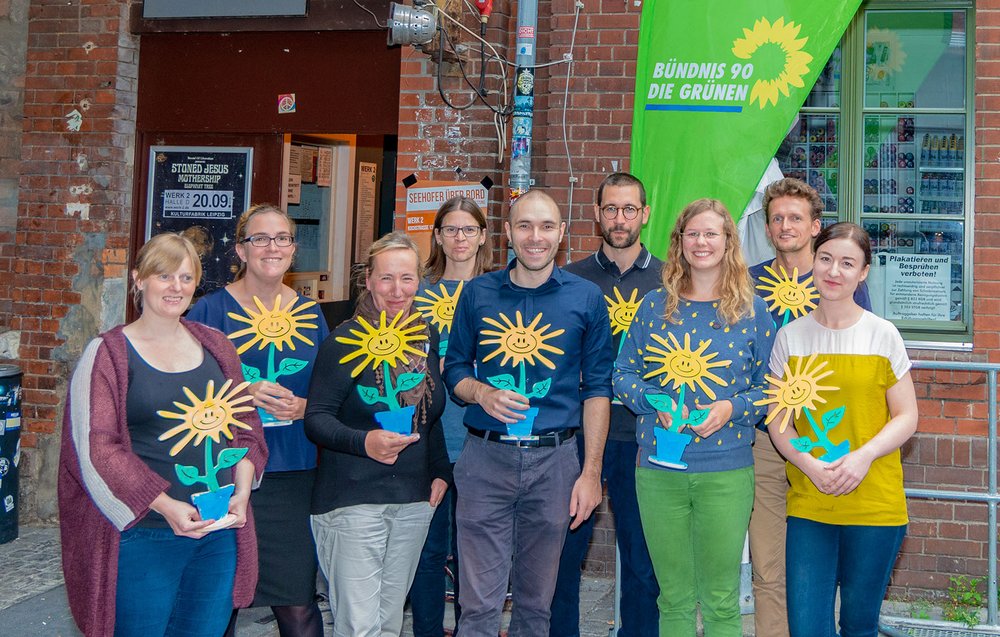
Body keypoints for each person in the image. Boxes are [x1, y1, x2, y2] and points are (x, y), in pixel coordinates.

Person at [58, 232, 268, 637]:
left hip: (218, 531)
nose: (176, 288)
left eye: (186, 279)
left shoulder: (217, 347)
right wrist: (166, 505)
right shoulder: (108, 354)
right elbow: (97, 448)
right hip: (145, 534)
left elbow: (245, 428)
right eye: (164, 276)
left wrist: (242, 493)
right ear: (139, 279)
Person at [443, 189, 614, 636]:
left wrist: (591, 472)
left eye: (544, 227)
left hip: (556, 462)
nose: (534, 237)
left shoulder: (587, 299)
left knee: (537, 607)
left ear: (561, 234)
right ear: (507, 233)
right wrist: (480, 393)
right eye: (524, 226)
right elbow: (455, 369)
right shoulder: (478, 293)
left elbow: (598, 389)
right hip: (485, 461)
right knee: (477, 606)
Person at [613, 198, 774, 636]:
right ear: (679, 241)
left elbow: (770, 389)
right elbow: (622, 374)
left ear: (728, 242)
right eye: (693, 234)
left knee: (722, 600)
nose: (701, 242)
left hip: (727, 470)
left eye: (711, 234)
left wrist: (731, 408)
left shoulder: (753, 312)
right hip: (659, 471)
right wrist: (655, 402)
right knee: (674, 598)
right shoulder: (653, 307)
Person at [764, 222, 917, 637]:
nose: (834, 271)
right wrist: (809, 464)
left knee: (858, 626)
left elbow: (907, 417)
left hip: (875, 503)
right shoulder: (789, 337)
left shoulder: (883, 336)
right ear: (813, 261)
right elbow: (779, 422)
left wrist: (863, 456)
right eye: (826, 258)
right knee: (807, 627)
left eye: (848, 263)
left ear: (864, 272)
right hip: (811, 501)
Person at [187, 203, 328, 637]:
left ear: (292, 250)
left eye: (282, 238)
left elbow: (328, 391)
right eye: (260, 238)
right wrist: (242, 394)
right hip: (223, 474)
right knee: (217, 603)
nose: (272, 247)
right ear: (241, 250)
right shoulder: (208, 313)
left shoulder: (311, 314)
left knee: (297, 601)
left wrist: (305, 408)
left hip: (291, 473)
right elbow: (180, 391)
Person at [305, 231, 452, 637]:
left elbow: (428, 414)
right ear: (368, 280)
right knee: (359, 628)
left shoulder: (426, 336)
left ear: (419, 282)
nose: (397, 289)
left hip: (412, 500)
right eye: (386, 278)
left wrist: (441, 470)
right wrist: (363, 441)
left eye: (407, 278)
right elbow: (316, 418)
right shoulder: (344, 340)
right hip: (352, 502)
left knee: (388, 625)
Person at [747, 177, 872, 637]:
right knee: (769, 563)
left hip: (827, 439)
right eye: (776, 218)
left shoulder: (836, 278)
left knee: (824, 564)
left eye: (796, 218)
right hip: (767, 437)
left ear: (816, 226)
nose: (785, 226)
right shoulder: (747, 281)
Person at [551, 172, 661, 637]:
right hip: (580, 435)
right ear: (596, 214)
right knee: (563, 557)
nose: (620, 219)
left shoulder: (668, 279)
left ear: (645, 214)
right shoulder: (569, 279)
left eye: (629, 209)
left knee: (644, 562)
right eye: (611, 209)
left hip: (645, 437)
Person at [409, 196, 493, 637]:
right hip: (428, 438)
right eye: (451, 230)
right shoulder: (417, 290)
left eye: (468, 229)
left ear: (482, 236)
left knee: (474, 551)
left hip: (480, 437)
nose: (460, 238)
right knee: (427, 547)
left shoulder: (500, 288)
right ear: (437, 236)